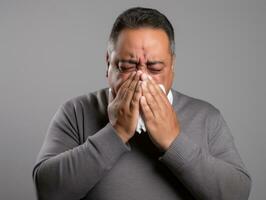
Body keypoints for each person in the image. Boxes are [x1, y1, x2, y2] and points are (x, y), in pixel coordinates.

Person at [32, 7, 251, 200]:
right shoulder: (76, 112)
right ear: (108, 63)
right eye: (127, 66)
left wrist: (174, 142)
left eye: (155, 68)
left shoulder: (206, 117)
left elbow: (237, 194)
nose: (141, 78)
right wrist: (116, 132)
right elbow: (48, 191)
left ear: (172, 66)